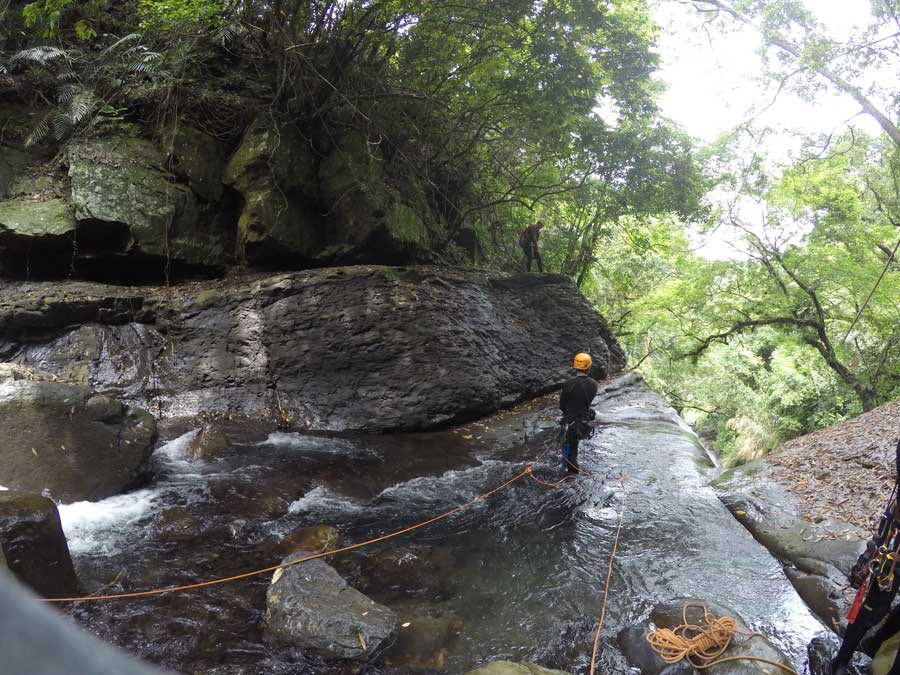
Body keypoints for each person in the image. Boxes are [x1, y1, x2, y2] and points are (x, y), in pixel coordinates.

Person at [558, 352, 598, 474]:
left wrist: (567, 415)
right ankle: (570, 471)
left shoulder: (568, 384)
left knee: (570, 452)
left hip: (571, 422)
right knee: (574, 448)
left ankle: (571, 476)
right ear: (589, 367)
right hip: (584, 421)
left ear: (575, 366)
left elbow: (562, 406)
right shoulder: (594, 384)